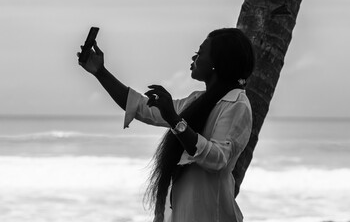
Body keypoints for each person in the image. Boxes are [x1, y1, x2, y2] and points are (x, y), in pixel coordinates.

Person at [77, 28, 255, 222]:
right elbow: (141, 108)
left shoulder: (237, 104)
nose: (194, 56)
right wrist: (100, 72)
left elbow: (217, 159)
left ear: (217, 63)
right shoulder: (197, 100)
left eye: (201, 52)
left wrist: (175, 121)